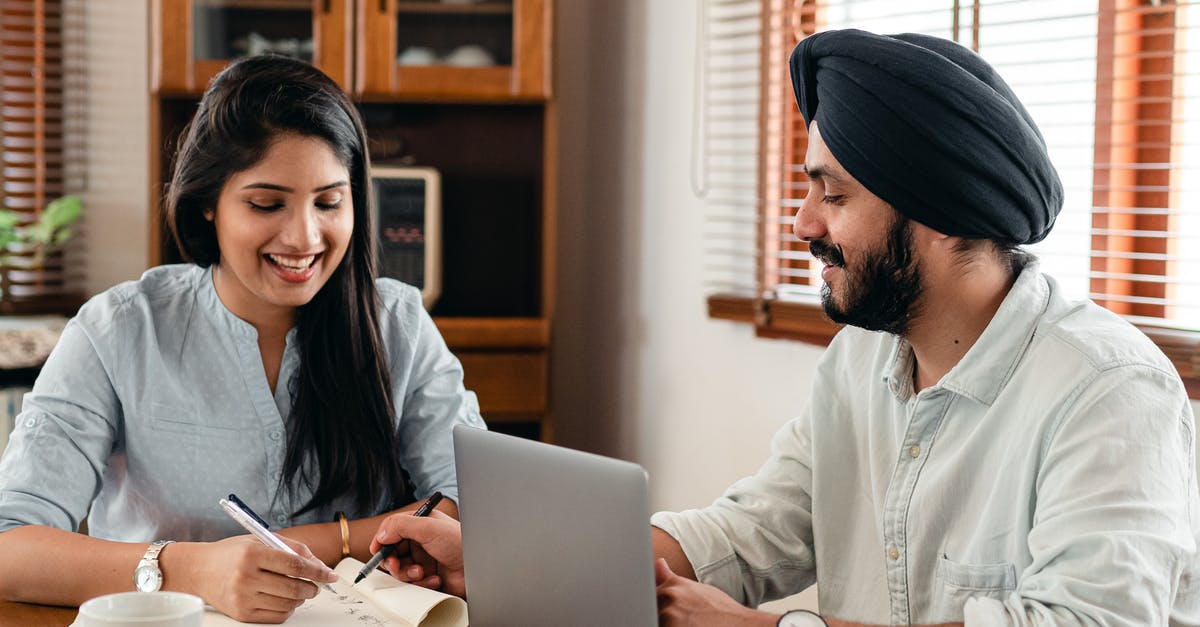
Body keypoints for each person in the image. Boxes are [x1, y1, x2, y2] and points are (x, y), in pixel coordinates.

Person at [367, 29, 1200, 626]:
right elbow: (753, 530)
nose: (803, 222)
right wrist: (508, 558)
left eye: (834, 195)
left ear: (942, 214)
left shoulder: (1108, 391)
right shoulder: (860, 359)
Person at [0, 55, 484, 624]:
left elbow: (475, 503)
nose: (304, 236)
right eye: (267, 204)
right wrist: (193, 568)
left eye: (329, 202)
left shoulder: (397, 322)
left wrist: (312, 543)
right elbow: (11, 546)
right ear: (208, 203)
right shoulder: (120, 329)